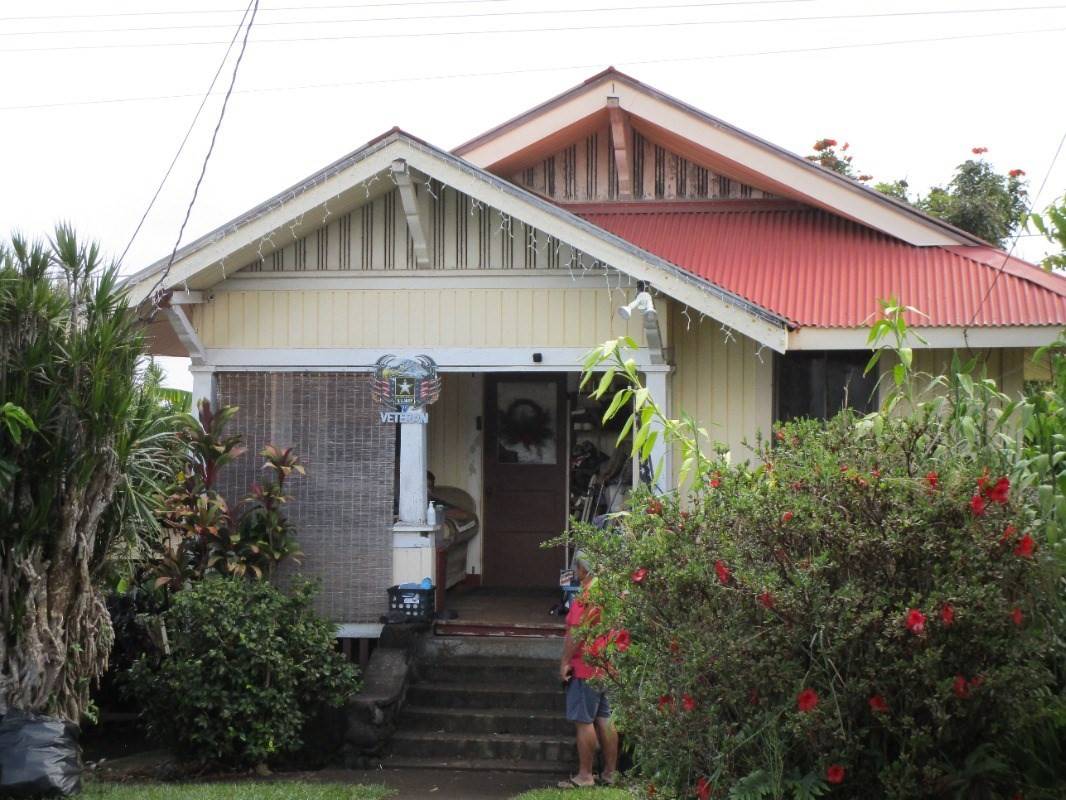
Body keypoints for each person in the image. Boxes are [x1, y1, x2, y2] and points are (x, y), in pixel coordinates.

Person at [558, 551, 619, 788]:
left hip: (586, 665)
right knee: (606, 718)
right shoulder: (608, 589)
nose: (575, 571)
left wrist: (564, 661)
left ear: (584, 569)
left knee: (584, 721)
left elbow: (575, 634)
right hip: (607, 663)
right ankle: (610, 772)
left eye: (576, 567)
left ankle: (585, 775)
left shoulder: (586, 594)